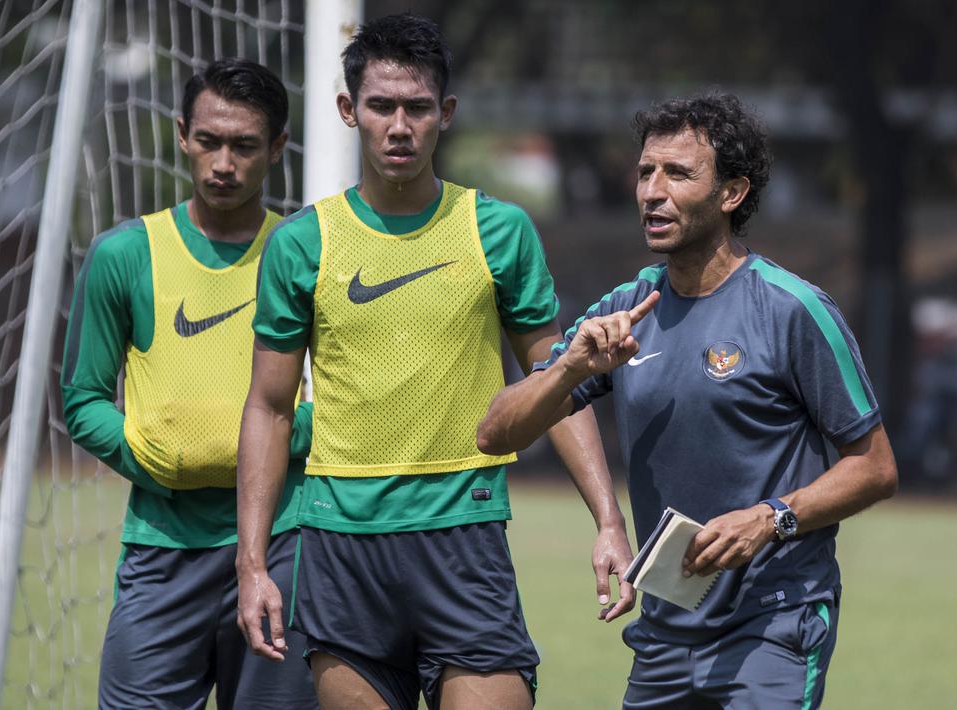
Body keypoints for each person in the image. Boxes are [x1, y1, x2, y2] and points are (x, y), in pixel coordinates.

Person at [235, 13, 633, 710]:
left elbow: (557, 381)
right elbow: (268, 407)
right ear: (347, 110)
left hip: (464, 541)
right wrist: (252, 563)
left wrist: (607, 519)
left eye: (416, 107)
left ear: (444, 114)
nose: (398, 125)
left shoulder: (498, 230)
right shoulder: (301, 244)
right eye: (381, 106)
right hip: (340, 547)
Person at [477, 92, 898, 709]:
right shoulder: (624, 310)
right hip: (666, 631)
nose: (652, 191)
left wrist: (770, 517)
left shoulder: (792, 310)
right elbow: (495, 434)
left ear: (732, 194)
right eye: (646, 171)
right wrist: (568, 368)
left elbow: (876, 467)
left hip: (775, 625)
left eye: (678, 174)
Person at [60, 58, 317, 709]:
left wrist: (282, 438)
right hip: (162, 552)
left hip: (285, 546)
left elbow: (348, 395)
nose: (222, 163)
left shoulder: (310, 252)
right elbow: (83, 400)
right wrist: (153, 455)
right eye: (208, 141)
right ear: (181, 134)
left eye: (243, 146)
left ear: (279, 148)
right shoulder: (125, 254)